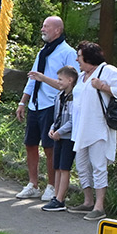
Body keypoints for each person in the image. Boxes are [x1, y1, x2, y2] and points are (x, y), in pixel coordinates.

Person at [62, 41, 117, 220]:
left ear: (89, 58)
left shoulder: (108, 71)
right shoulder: (82, 76)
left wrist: (103, 87)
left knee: (98, 167)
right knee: (82, 166)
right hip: (80, 129)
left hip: (98, 128)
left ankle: (99, 207)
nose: (77, 60)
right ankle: (88, 202)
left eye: (79, 56)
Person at [17, 16, 77, 202]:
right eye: (43, 26)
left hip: (52, 105)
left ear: (57, 30)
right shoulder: (43, 52)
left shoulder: (68, 53)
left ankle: (51, 186)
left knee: (49, 147)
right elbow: (32, 78)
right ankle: (33, 184)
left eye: (46, 26)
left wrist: (43, 78)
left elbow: (71, 83)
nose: (42, 29)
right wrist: (23, 102)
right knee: (30, 144)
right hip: (35, 104)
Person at [40, 66, 78, 212]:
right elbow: (57, 117)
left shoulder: (74, 98)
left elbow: (73, 120)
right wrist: (52, 129)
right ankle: (55, 196)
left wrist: (60, 132)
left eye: (61, 79)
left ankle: (61, 199)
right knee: (57, 167)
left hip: (68, 137)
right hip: (58, 136)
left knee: (64, 167)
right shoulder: (59, 96)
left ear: (70, 80)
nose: (58, 82)